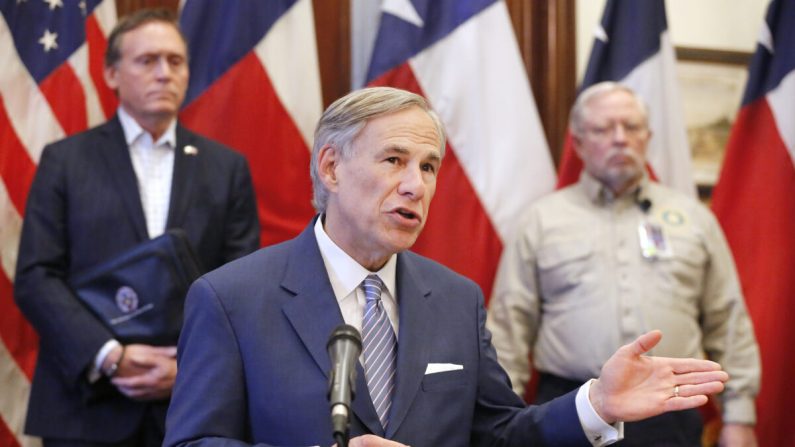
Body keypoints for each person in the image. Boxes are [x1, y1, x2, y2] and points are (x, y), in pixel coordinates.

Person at [163, 86, 728, 447]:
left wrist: (594, 405)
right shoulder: (232, 298)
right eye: (394, 160)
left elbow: (498, 434)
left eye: (429, 166)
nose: (416, 185)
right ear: (331, 167)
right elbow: (194, 443)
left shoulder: (455, 299)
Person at [14, 9, 260, 447]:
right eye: (147, 61)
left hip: (192, 405)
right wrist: (110, 356)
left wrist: (188, 364)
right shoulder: (65, 161)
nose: (164, 73)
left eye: (175, 61)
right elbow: (37, 277)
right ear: (111, 73)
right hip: (86, 408)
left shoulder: (227, 167)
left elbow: (241, 285)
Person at [486, 82, 760, 446]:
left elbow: (727, 319)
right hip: (570, 406)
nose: (619, 139)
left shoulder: (694, 219)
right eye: (603, 129)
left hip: (670, 409)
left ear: (647, 137)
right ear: (579, 143)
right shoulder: (541, 220)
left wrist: (738, 417)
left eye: (631, 127)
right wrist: (506, 419)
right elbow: (509, 324)